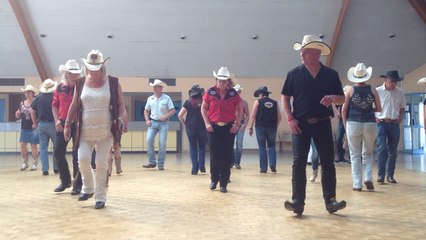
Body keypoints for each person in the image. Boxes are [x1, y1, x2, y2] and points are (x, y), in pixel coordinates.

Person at [281, 35, 346, 215]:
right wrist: (290, 118)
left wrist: (333, 98)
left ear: (317, 53)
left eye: (306, 50)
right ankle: (297, 202)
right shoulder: (293, 74)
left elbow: (342, 97)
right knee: (298, 163)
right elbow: (285, 98)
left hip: (323, 123)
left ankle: (331, 201)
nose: (302, 53)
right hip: (299, 124)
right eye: (302, 51)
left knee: (328, 162)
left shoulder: (331, 74)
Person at [64, 50, 128, 209]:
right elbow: (73, 105)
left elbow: (120, 104)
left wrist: (123, 117)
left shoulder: (113, 83)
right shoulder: (80, 83)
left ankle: (100, 196)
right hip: (85, 131)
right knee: (83, 160)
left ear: (103, 68)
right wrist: (66, 124)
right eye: (91, 69)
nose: (93, 72)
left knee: (101, 163)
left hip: (106, 131)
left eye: (97, 69)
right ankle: (88, 188)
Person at [201, 67, 242, 193]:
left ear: (228, 81)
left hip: (229, 128)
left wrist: (237, 124)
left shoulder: (233, 94)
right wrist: (207, 123)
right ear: (216, 80)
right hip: (213, 127)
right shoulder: (210, 92)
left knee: (226, 155)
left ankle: (224, 183)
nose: (222, 83)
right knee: (215, 155)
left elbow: (240, 110)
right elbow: (203, 108)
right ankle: (214, 180)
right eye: (220, 80)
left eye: (224, 81)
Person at [342, 63, 382, 191]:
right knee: (368, 153)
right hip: (370, 123)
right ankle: (368, 178)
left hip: (353, 123)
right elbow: (379, 108)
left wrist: (345, 123)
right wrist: (368, 108)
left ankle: (357, 183)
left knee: (354, 154)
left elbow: (344, 109)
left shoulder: (350, 90)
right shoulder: (372, 89)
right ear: (366, 76)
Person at [52, 59, 83, 194]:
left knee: (77, 155)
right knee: (58, 152)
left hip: (78, 124)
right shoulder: (59, 88)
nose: (73, 75)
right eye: (71, 73)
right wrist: (56, 121)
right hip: (62, 123)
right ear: (66, 73)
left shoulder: (82, 87)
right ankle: (65, 181)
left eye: (75, 73)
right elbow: (54, 105)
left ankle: (78, 184)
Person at [375, 70, 405, 184]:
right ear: (385, 80)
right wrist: (375, 117)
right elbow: (372, 106)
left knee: (393, 151)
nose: (394, 84)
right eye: (392, 81)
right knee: (382, 148)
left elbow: (402, 108)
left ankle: (390, 176)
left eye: (396, 82)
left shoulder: (400, 92)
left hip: (394, 124)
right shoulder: (377, 91)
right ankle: (380, 175)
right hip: (381, 123)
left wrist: (399, 119)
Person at [143, 79, 176, 170]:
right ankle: (152, 162)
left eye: (158, 86)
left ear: (161, 88)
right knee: (149, 141)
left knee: (162, 143)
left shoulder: (167, 98)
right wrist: (147, 120)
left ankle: (161, 163)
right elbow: (146, 110)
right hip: (152, 122)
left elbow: (173, 110)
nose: (156, 88)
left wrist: (166, 116)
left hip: (163, 123)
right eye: (155, 87)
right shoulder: (150, 99)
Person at [248, 86, 281, 173]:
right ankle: (273, 165)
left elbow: (252, 116)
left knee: (262, 147)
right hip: (272, 127)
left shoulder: (258, 102)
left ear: (261, 94)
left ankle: (263, 168)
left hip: (260, 127)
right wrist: (275, 126)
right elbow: (279, 117)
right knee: (272, 146)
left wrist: (250, 127)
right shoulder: (275, 103)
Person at [31, 79, 58, 176]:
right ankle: (56, 168)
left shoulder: (38, 98)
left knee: (43, 148)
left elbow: (32, 111)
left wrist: (35, 123)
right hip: (53, 124)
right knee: (56, 147)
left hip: (41, 124)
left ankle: (45, 169)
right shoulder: (55, 97)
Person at [178, 85, 207, 175]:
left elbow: (179, 115)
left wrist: (185, 124)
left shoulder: (188, 102)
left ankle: (195, 169)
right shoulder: (203, 102)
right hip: (202, 127)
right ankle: (202, 166)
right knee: (202, 146)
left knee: (193, 147)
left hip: (190, 127)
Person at [16, 85, 39, 171]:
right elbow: (18, 115)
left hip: (34, 127)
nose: (27, 94)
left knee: (33, 145)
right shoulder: (22, 103)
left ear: (32, 93)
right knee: (22, 145)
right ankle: (25, 162)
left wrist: (36, 123)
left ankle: (34, 163)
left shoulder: (36, 102)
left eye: (28, 92)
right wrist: (17, 114)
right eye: (25, 92)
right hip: (24, 127)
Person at [233, 84, 249, 169]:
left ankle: (237, 162)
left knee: (239, 144)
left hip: (241, 124)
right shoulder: (230, 102)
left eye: (238, 91)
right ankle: (231, 161)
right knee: (230, 144)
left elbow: (248, 114)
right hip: (232, 124)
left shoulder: (244, 102)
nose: (237, 93)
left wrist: (245, 125)